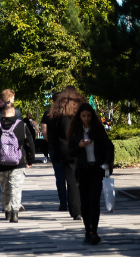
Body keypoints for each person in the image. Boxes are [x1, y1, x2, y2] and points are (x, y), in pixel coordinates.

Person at [0, 98, 36, 223]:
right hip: (18, 161)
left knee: (5, 188)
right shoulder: (21, 125)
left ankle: (7, 210)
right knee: (16, 187)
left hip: (1, 162)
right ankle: (15, 212)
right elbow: (30, 143)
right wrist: (30, 159)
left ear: (3, 113)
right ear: (14, 111)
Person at [68, 103, 113, 245]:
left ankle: (94, 231)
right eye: (83, 116)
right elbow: (69, 152)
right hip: (83, 169)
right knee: (85, 201)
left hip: (96, 169)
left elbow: (108, 147)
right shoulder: (75, 131)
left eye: (88, 116)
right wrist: (79, 146)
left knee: (94, 201)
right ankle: (88, 230)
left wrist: (106, 163)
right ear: (79, 117)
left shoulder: (98, 130)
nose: (86, 119)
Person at [48, 86, 86, 219]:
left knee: (70, 180)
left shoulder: (59, 111)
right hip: (82, 147)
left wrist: (53, 148)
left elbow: (53, 133)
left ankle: (76, 210)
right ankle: (83, 207)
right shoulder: (81, 108)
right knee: (81, 178)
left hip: (66, 149)